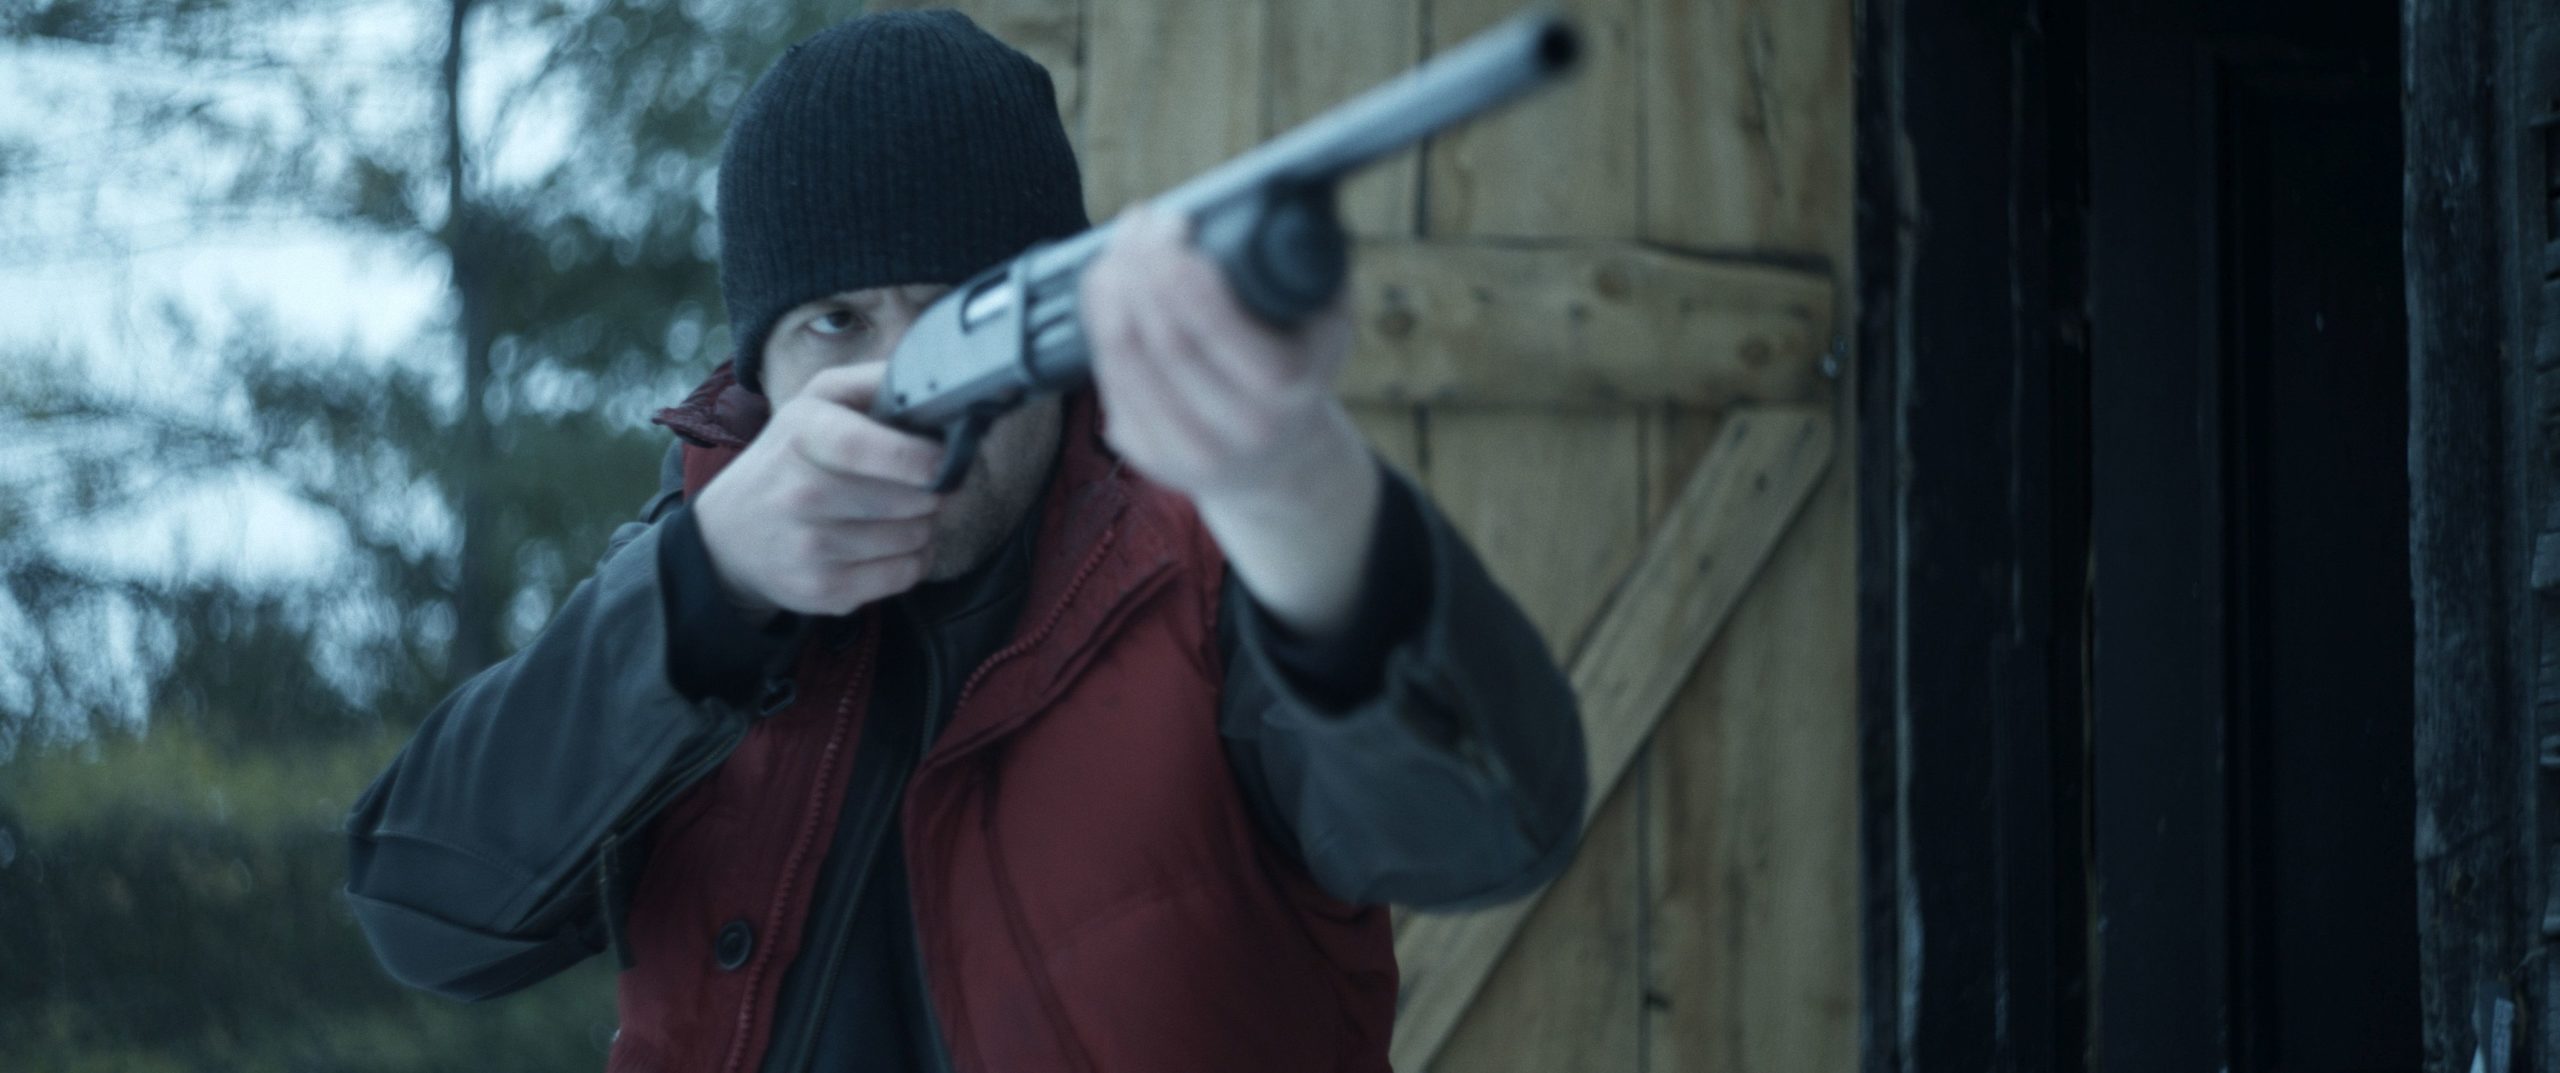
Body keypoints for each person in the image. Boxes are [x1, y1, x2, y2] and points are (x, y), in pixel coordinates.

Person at [343, 10, 1586, 1072]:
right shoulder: (689, 582)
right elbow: (422, 917)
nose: (908, 384)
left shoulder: (1212, 573)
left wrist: (1298, 493)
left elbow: (1487, 833)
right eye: (837, 321)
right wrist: (700, 590)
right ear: (759, 367)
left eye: (959, 315)